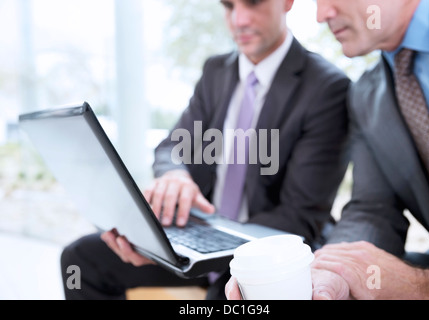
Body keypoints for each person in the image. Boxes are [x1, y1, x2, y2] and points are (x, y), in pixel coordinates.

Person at [61, 0, 350, 300]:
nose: (238, 20)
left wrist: (205, 245)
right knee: (80, 260)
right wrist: (175, 175)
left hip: (266, 253)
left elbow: (299, 217)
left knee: (222, 296)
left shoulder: (327, 88)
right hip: (201, 240)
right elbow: (171, 147)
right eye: (228, 6)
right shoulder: (216, 71)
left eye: (252, 3)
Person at [226, 0, 429, 300]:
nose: (322, 15)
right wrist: (332, 273)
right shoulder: (367, 96)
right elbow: (373, 210)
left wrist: (427, 287)